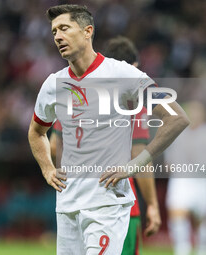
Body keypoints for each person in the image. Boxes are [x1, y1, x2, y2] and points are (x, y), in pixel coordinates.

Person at [28, 4, 189, 255]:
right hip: (67, 205)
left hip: (107, 204)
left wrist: (137, 163)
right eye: (54, 31)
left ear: (87, 31)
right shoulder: (53, 84)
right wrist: (47, 168)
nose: (57, 36)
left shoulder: (123, 74)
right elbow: (37, 131)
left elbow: (176, 118)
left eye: (64, 28)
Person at [49, 36, 162, 255]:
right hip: (116, 203)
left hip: (75, 202)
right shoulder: (131, 99)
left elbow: (54, 146)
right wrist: (153, 205)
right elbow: (138, 152)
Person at [165, 101, 206, 255]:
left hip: (202, 181)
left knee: (202, 218)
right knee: (177, 213)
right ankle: (182, 250)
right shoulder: (177, 133)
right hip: (181, 180)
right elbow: (168, 161)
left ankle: (202, 249)